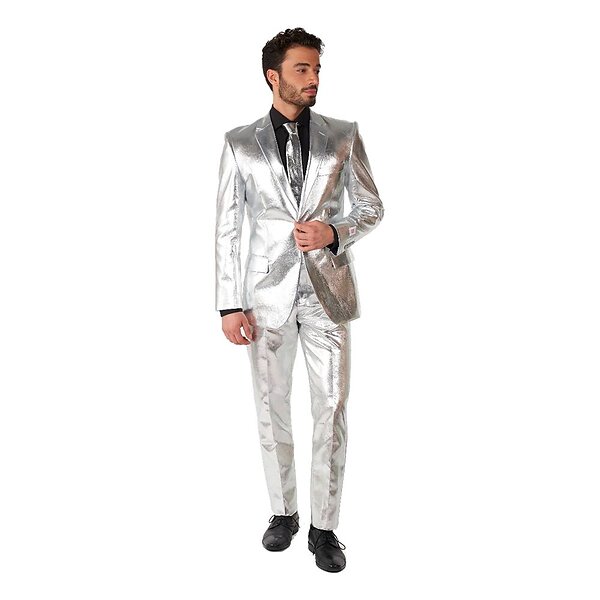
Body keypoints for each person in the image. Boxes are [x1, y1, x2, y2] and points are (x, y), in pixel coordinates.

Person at [214, 27, 384, 573]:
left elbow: (372, 206)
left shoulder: (343, 135)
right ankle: (283, 513)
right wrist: (228, 304)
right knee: (271, 408)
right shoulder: (240, 143)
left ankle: (324, 527)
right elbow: (228, 229)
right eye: (302, 70)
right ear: (274, 76)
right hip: (264, 299)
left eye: (316, 70)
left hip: (328, 294)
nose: (313, 79)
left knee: (331, 409)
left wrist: (335, 231)